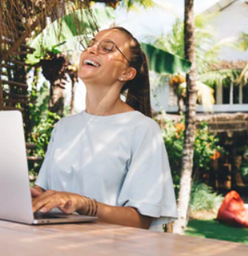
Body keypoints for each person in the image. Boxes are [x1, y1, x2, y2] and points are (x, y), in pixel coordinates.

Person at [31, 27, 177, 230]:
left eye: (107, 48)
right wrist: (28, 195)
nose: (91, 50)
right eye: (90, 44)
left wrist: (84, 204)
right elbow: (43, 192)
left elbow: (141, 220)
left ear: (127, 73)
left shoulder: (143, 130)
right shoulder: (63, 128)